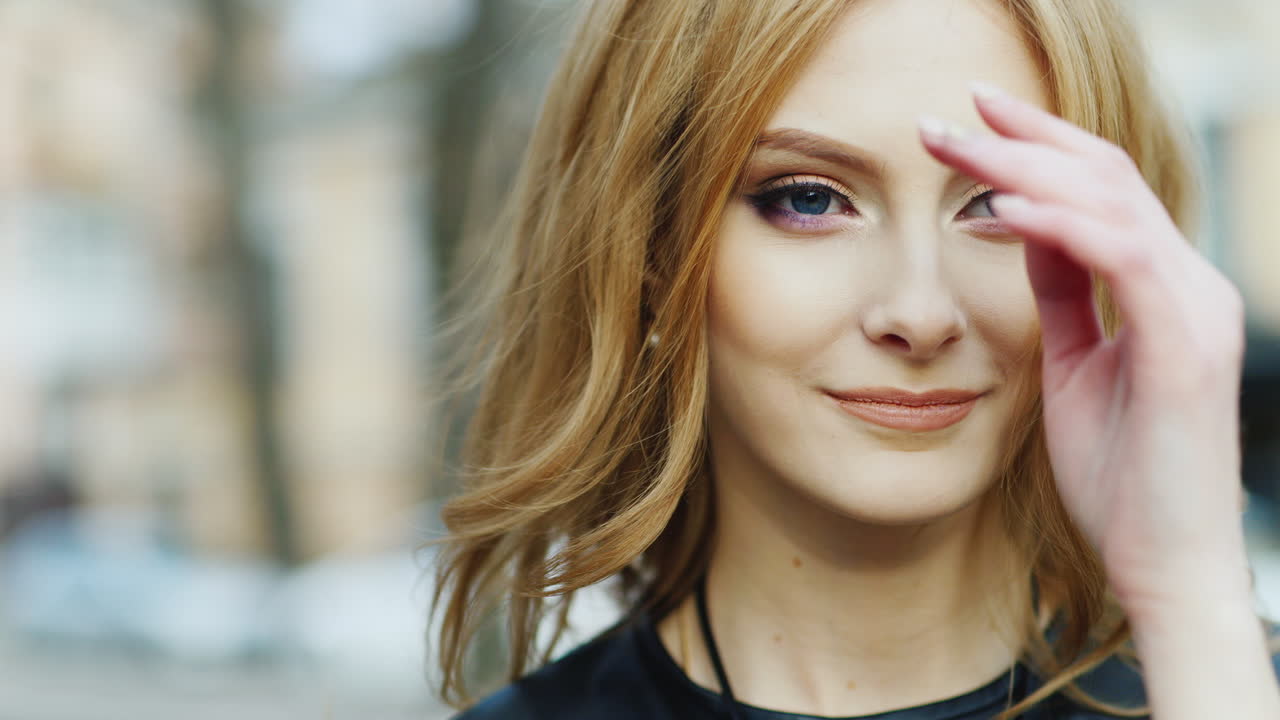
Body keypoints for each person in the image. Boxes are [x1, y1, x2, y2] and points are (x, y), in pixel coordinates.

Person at [429, 0, 1280, 717]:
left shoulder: (1225, 682)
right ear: (650, 253)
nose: (920, 311)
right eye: (808, 199)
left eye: (1000, 201)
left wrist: (1190, 607)